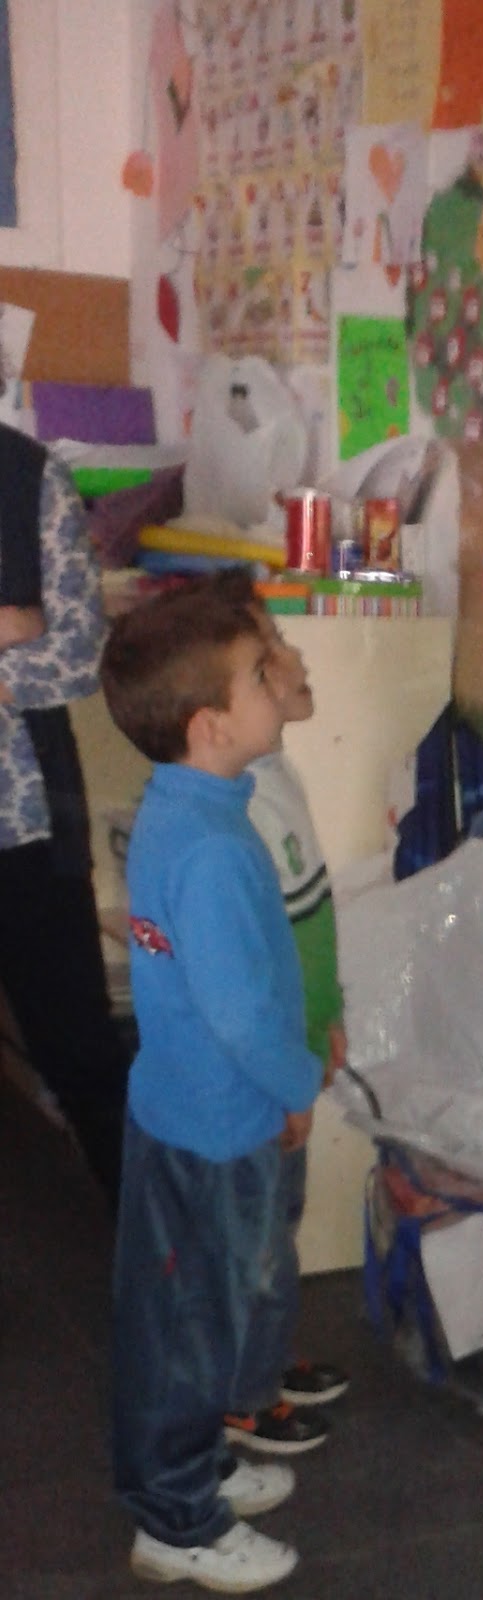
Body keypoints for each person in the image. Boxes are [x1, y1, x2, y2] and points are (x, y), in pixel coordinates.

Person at [100, 577, 324, 1592]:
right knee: (191, 1333)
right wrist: (297, 1084)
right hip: (218, 1125)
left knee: (187, 1318)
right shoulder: (213, 850)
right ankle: (177, 1520)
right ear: (211, 725)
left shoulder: (183, 810)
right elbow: (239, 1015)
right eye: (259, 675)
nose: (279, 680)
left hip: (180, 1112)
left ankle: (193, 1469)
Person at [218, 572, 351, 1456]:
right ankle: (241, 1395)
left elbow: (311, 928)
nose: (294, 657)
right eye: (271, 651)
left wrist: (327, 1017)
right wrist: (285, 1081)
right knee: (255, 1241)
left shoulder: (273, 775)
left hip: (293, 1054)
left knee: (278, 1225)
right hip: (264, 1076)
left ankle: (262, 1359)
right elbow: (255, 972)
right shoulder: (242, 804)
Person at [0, 422, 128, 1207]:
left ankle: (149, 1247)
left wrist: (37, 631)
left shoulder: (26, 475)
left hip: (26, 823)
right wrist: (13, 625)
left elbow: (79, 652)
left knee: (80, 1050)